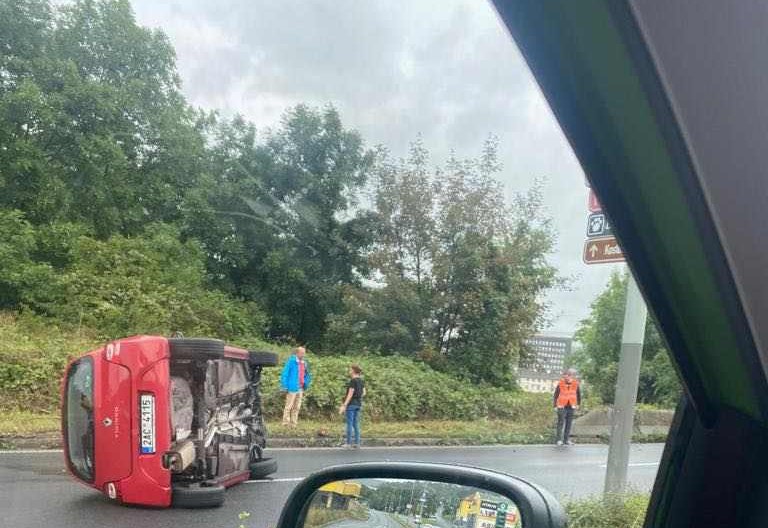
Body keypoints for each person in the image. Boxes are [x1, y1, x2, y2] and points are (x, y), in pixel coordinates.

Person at [280, 346, 311, 427]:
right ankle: (285, 423)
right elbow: (285, 374)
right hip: (292, 387)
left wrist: (306, 383)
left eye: (304, 353)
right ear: (297, 353)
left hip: (300, 388)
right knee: (289, 406)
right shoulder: (291, 361)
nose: (303, 355)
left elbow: (307, 375)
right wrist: (285, 386)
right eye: (302, 353)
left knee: (297, 407)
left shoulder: (305, 363)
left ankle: (294, 423)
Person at [338, 364, 365, 449]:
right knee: (356, 424)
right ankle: (357, 443)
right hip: (358, 404)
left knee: (349, 423)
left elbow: (350, 393)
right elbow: (364, 392)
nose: (349, 371)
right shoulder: (361, 381)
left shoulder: (353, 381)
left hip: (351, 404)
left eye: (350, 370)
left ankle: (348, 443)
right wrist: (359, 397)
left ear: (353, 371)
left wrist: (344, 405)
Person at [553, 368, 581, 446]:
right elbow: (556, 395)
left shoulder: (575, 384)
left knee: (569, 423)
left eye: (567, 376)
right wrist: (555, 405)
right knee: (560, 423)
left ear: (571, 376)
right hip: (561, 406)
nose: (565, 377)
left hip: (571, 406)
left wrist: (578, 404)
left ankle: (566, 440)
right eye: (564, 376)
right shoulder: (560, 383)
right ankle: (558, 440)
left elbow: (578, 395)